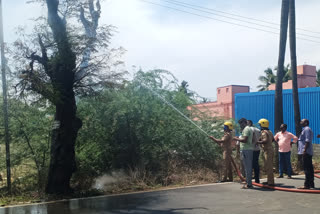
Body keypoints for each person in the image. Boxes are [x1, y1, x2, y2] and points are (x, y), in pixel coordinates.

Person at [233, 118, 253, 189]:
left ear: (244, 123)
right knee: (246, 167)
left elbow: (244, 140)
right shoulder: (246, 129)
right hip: (246, 149)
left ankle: (249, 184)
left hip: (246, 149)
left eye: (241, 124)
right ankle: (248, 182)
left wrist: (236, 139)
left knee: (248, 167)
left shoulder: (246, 129)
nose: (240, 126)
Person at [298, 119, 314, 189]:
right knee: (309, 168)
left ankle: (306, 185)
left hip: (306, 152)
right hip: (307, 152)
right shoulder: (305, 129)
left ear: (306, 122)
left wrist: (304, 150)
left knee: (307, 169)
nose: (300, 122)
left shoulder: (307, 129)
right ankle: (311, 184)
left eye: (302, 121)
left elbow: (307, 140)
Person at [257, 118, 274, 186]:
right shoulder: (269, 131)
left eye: (260, 125)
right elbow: (272, 139)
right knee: (267, 166)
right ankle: (269, 180)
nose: (260, 126)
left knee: (269, 166)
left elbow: (265, 140)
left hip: (267, 150)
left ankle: (270, 182)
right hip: (269, 149)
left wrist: (258, 142)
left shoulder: (264, 132)